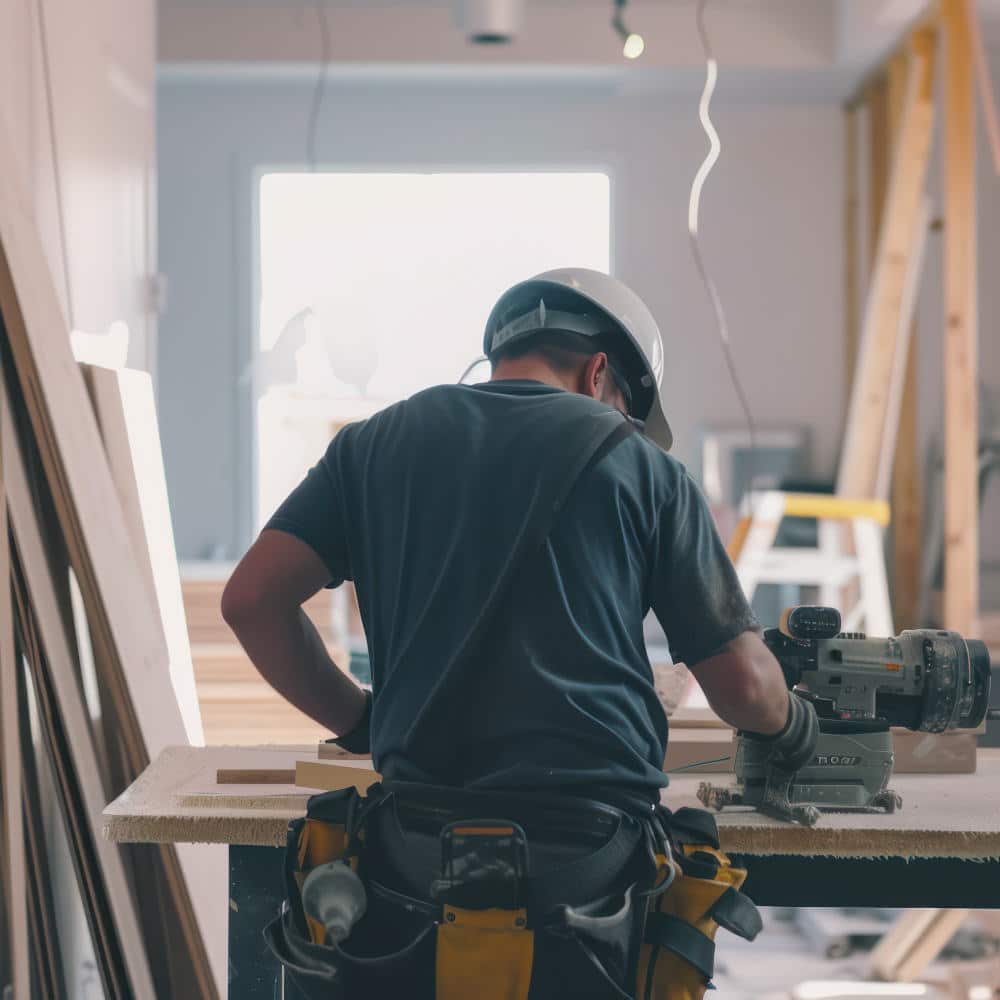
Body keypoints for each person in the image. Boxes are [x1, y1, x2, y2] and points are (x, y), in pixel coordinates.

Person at [222, 268, 815, 997]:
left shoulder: (372, 445)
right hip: (592, 866)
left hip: (413, 852)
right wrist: (798, 729)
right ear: (601, 373)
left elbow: (251, 601)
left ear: (501, 352)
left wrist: (360, 720)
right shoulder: (643, 468)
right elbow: (747, 687)